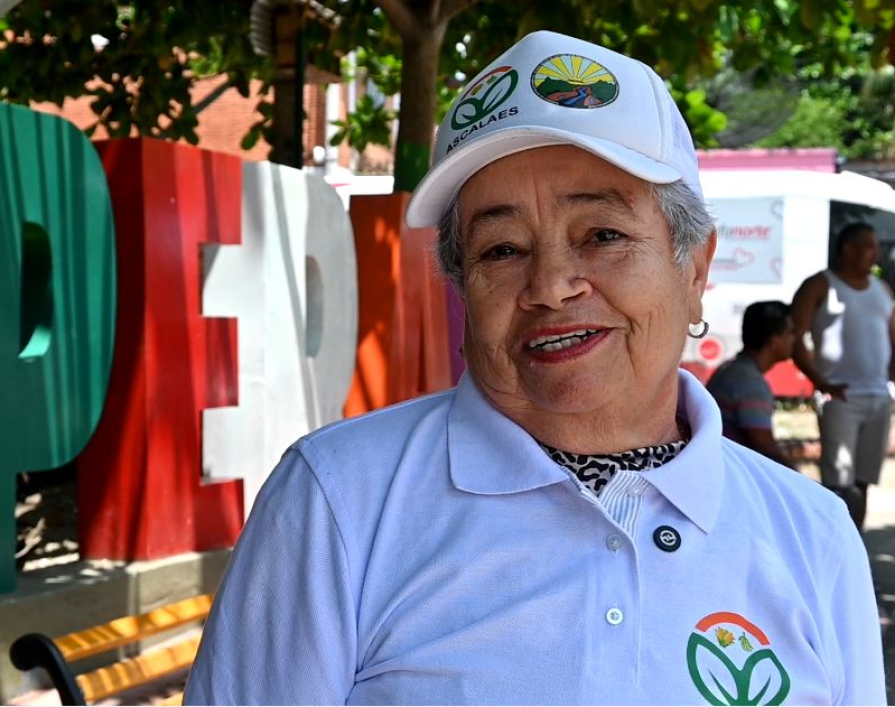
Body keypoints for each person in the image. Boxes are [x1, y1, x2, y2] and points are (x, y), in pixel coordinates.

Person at [185, 31, 883, 705]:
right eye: (501, 249)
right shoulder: (338, 502)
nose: (551, 283)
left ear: (694, 268)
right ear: (463, 290)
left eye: (603, 235)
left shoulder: (812, 536)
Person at [791, 222, 895, 530]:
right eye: (869, 246)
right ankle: (832, 553)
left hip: (879, 397)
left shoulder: (882, 288)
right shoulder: (821, 285)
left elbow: (892, 338)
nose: (875, 253)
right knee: (839, 486)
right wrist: (820, 382)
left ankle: (856, 554)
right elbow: (794, 337)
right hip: (840, 398)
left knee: (863, 483)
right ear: (848, 248)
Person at [706, 300, 796, 468]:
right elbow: (763, 445)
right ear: (774, 341)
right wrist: (799, 479)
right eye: (790, 333)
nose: (795, 339)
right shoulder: (750, 382)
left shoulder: (733, 370)